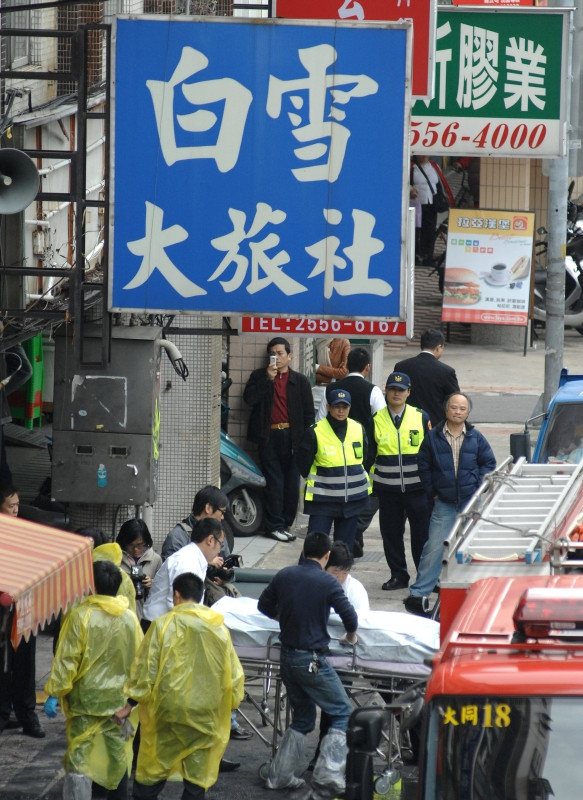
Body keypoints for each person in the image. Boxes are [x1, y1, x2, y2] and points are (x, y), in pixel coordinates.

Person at [117, 572, 245, 800]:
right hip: (206, 714)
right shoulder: (218, 629)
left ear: (176, 595)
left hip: (167, 712)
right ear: (201, 595)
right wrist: (231, 703)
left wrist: (129, 704)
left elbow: (145, 673)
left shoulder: (161, 626)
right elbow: (234, 676)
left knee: (151, 775)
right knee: (196, 780)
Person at [258, 531, 358, 799]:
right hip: (311, 660)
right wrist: (350, 636)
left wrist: (284, 617)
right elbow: (350, 616)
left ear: (303, 551)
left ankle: (279, 776)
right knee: (343, 711)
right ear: (327, 556)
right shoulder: (327, 582)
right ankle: (328, 774)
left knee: (302, 719)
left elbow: (263, 604)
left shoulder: (284, 575)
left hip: (287, 659)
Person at [43, 560, 143, 800]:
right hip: (119, 705)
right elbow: (141, 663)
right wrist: (132, 702)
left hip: (84, 703)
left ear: (90, 585)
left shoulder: (80, 617)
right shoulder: (130, 619)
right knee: (118, 760)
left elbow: (67, 660)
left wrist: (55, 692)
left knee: (80, 761)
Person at [404, 393, 496, 617]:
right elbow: (423, 465)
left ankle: (478, 590)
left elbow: (489, 463)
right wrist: (432, 491)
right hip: (443, 504)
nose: (457, 411)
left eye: (462, 408)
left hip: (470, 504)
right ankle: (419, 593)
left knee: (472, 549)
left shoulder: (476, 437)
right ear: (446, 410)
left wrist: (477, 488)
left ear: (467, 412)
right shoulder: (433, 437)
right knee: (434, 548)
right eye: (453, 407)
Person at [243, 336, 314, 542]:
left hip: (293, 437)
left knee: (292, 484)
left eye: (280, 353)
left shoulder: (299, 381)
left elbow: (308, 413)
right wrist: (268, 379)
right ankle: (273, 525)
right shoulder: (259, 376)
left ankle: (285, 524)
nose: (276, 358)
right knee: (274, 482)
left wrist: (305, 441)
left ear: (290, 356)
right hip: (269, 436)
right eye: (272, 354)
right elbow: (249, 400)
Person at [317, 347, 386, 557]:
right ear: (368, 367)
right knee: (358, 500)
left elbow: (319, 422)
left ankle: (353, 543)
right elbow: (382, 424)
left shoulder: (332, 389)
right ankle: (351, 542)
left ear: (346, 366)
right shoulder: (372, 391)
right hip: (362, 459)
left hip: (332, 460)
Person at [372, 373, 431, 592]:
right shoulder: (376, 419)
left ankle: (425, 577)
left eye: (401, 389)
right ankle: (398, 575)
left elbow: (430, 452)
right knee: (391, 534)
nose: (397, 393)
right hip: (388, 491)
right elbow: (370, 455)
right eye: (393, 389)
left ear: (409, 392)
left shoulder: (421, 417)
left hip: (417, 489)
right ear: (386, 390)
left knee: (422, 536)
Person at [296, 388, 370, 552]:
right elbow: (303, 464)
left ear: (350, 408)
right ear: (328, 407)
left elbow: (364, 458)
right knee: (315, 549)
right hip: (323, 501)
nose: (341, 411)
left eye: (345, 407)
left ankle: (338, 578)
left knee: (343, 551)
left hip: (351, 500)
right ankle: (309, 577)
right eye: (337, 407)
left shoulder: (358, 428)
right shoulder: (315, 431)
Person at [0, 482, 45, 739]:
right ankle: (4, 713)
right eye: (11, 506)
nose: (16, 511)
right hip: (3, 613)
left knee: (25, 665)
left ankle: (27, 714)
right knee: (4, 666)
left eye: (18, 505)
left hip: (25, 609)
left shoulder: (25, 531)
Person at [142, 517, 224, 622]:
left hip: (169, 624)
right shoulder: (187, 561)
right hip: (159, 627)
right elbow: (179, 605)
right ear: (210, 540)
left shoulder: (195, 558)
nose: (219, 550)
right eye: (220, 543)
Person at [394, 330, 460, 427]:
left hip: (406, 424)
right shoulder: (446, 371)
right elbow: (455, 400)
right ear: (439, 347)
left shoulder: (401, 366)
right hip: (435, 427)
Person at [161, 485, 229, 561]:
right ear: (208, 508)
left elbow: (225, 560)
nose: (222, 517)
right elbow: (172, 569)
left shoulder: (218, 532)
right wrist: (206, 562)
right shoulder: (177, 537)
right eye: (222, 512)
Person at [116, 518, 162, 624]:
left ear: (146, 542)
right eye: (131, 545)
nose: (135, 550)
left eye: (140, 545)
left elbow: (161, 592)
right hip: (120, 617)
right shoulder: (117, 558)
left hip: (145, 618)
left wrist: (152, 583)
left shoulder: (155, 560)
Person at [410, 155, 453, 266]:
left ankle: (428, 257)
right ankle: (414, 256)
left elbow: (440, 184)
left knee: (429, 230)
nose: (424, 156)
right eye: (421, 153)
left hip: (431, 203)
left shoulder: (434, 166)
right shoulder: (411, 167)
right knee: (415, 231)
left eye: (426, 154)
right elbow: (404, 182)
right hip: (416, 203)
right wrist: (411, 190)